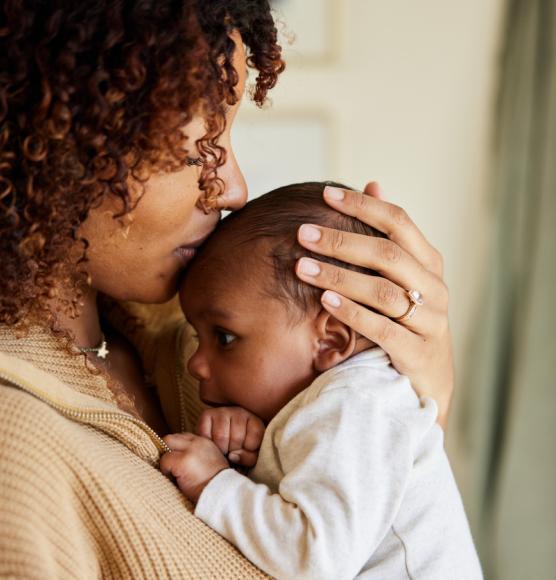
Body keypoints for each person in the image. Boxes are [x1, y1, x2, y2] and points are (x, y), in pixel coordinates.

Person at [0, 1, 455, 577]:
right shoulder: (16, 450)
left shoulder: (212, 327)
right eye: (196, 151)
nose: (233, 188)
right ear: (54, 141)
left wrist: (424, 391)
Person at [161, 182, 483, 579]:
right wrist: (262, 457)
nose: (195, 364)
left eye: (224, 338)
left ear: (331, 339)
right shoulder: (344, 401)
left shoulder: (355, 404)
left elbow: (315, 560)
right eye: (197, 336)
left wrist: (217, 483)